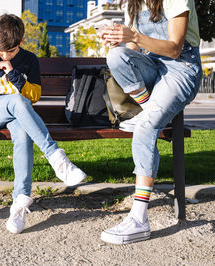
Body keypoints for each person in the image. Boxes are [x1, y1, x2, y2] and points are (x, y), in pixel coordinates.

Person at [0, 14, 87, 234]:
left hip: (19, 117)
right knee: (16, 100)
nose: (5, 55)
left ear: (21, 42)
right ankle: (56, 158)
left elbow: (34, 95)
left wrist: (14, 74)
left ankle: (19, 203)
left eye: (11, 51)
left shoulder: (29, 60)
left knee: (23, 133)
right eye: (0, 50)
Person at [99, 0, 202, 244]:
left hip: (182, 68)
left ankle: (138, 218)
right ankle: (147, 110)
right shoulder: (133, 3)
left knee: (145, 127)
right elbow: (134, 49)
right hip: (153, 63)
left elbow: (175, 48)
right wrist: (121, 41)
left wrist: (133, 34)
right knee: (116, 56)